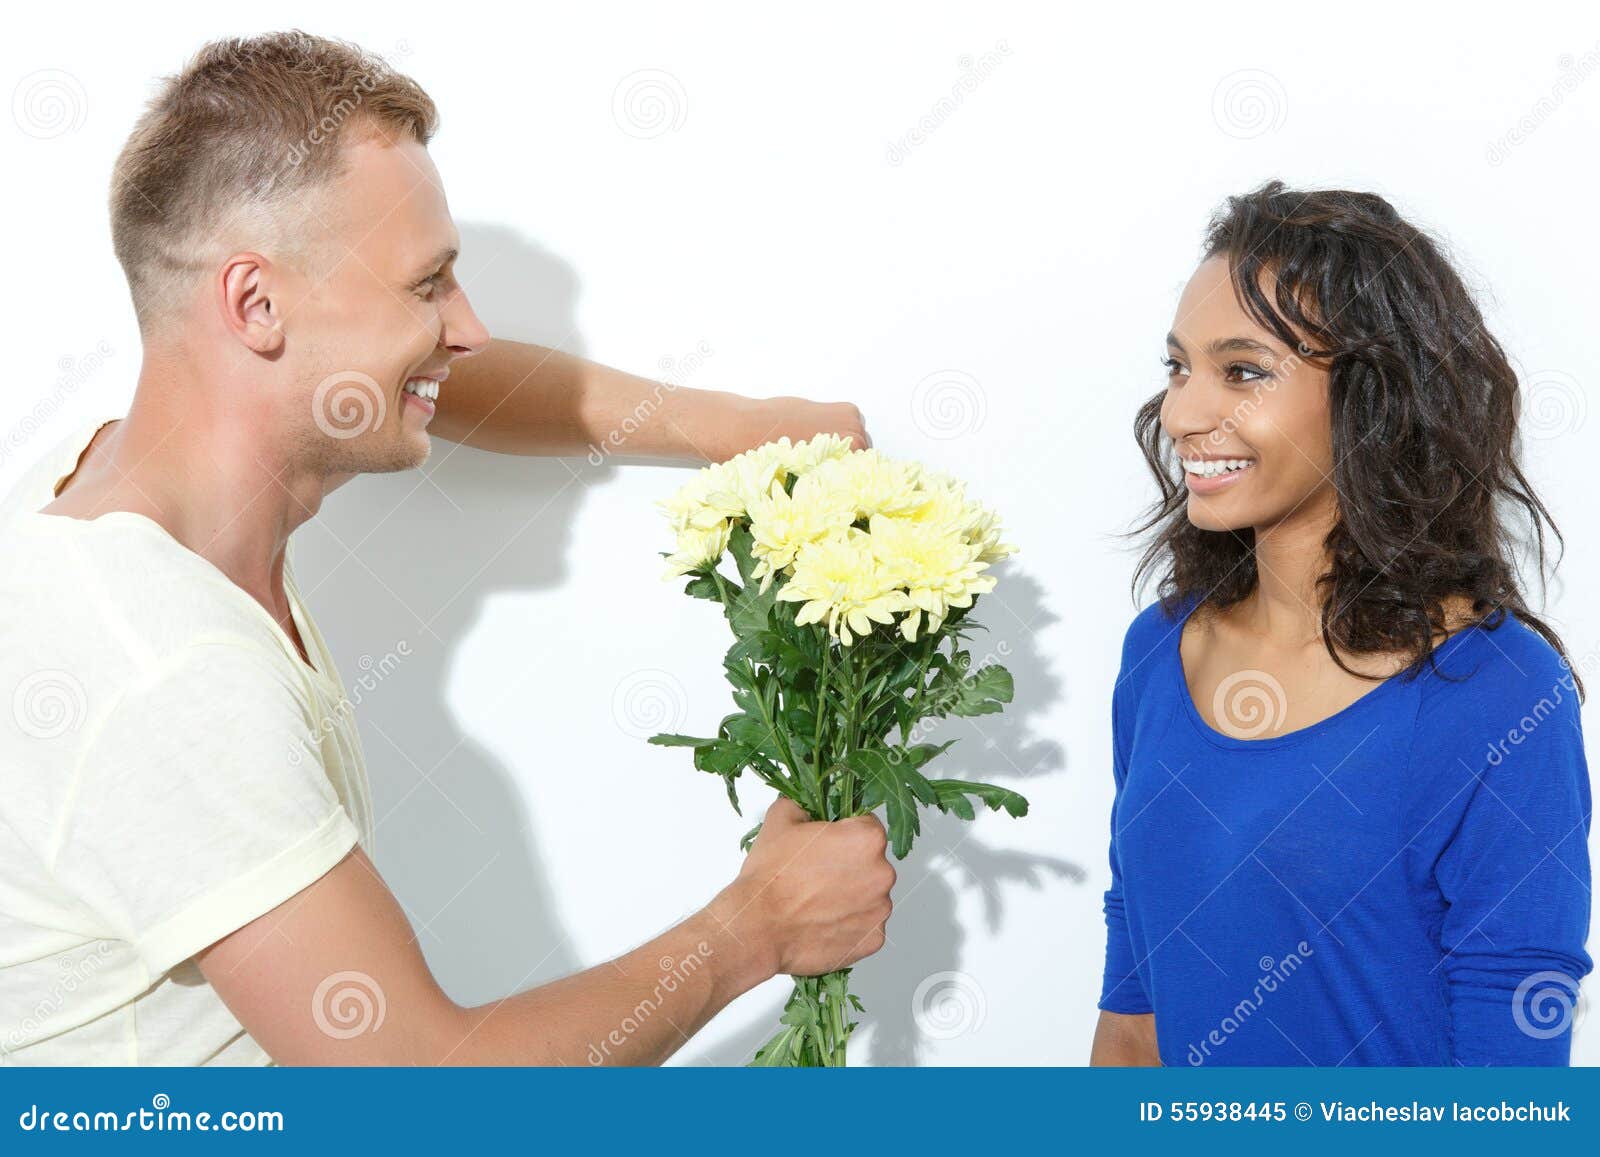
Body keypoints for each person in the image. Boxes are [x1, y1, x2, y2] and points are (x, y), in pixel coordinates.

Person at [0, 31, 895, 1065]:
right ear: (254, 303)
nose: (464, 328)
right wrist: (752, 928)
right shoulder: (165, 677)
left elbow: (425, 374)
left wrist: (731, 424)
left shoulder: (115, 476)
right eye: (428, 284)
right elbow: (421, 1094)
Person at [1091, 182, 1593, 1066]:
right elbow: (1135, 1022)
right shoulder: (1158, 654)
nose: (1183, 412)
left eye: (1243, 371)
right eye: (1178, 367)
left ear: (1373, 396)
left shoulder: (1495, 694)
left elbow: (1511, 1087)